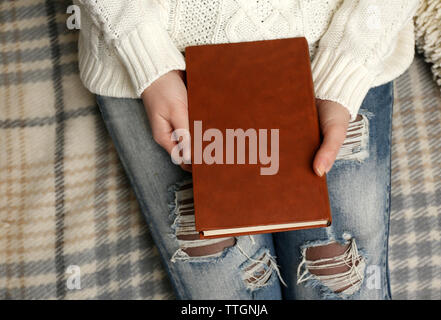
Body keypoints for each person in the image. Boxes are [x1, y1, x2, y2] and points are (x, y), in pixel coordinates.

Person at [75, 0, 419, 299]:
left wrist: (348, 65)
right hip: (153, 63)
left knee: (341, 278)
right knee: (226, 291)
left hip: (333, 53)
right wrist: (145, 54)